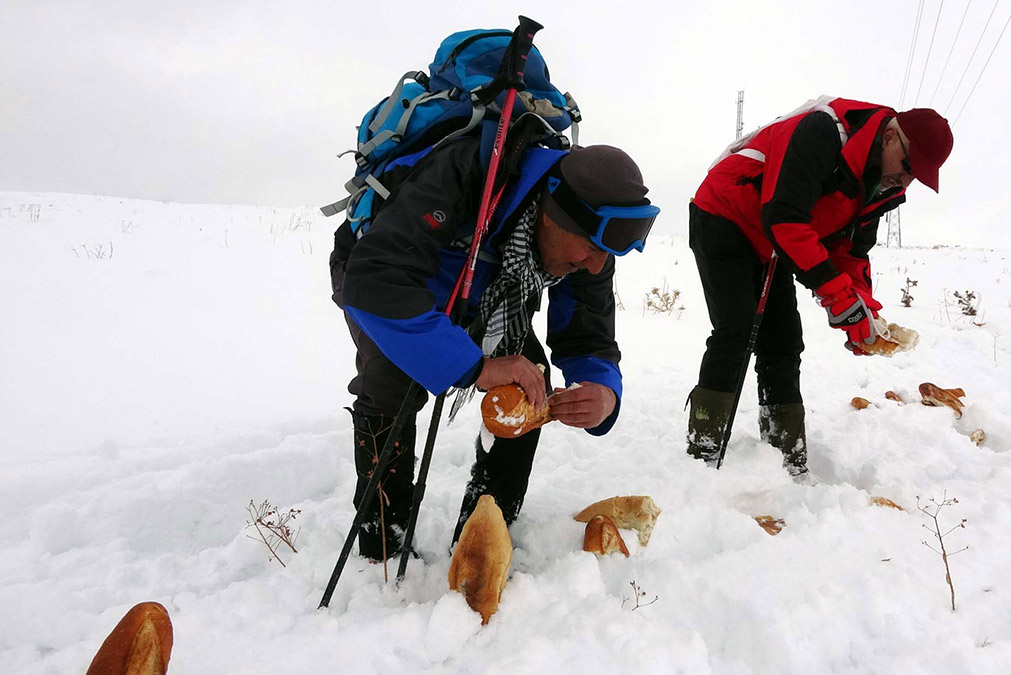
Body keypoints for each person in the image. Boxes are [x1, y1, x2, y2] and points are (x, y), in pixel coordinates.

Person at [329, 134, 658, 561]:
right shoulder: (464, 173)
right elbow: (376, 283)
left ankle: (487, 530)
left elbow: (587, 331)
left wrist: (602, 388)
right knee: (392, 382)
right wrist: (476, 367)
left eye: (606, 255)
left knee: (529, 379)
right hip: (386, 273)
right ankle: (382, 543)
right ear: (549, 216)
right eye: (591, 251)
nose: (597, 265)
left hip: (486, 286)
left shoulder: (594, 235)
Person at [686, 97, 953, 476]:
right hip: (725, 214)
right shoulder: (823, 132)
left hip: (775, 240)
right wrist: (839, 299)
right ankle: (703, 451)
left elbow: (849, 251)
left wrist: (864, 311)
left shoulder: (881, 187)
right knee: (737, 330)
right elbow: (786, 219)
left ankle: (785, 455)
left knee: (784, 342)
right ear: (891, 136)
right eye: (908, 167)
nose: (905, 181)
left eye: (917, 177)